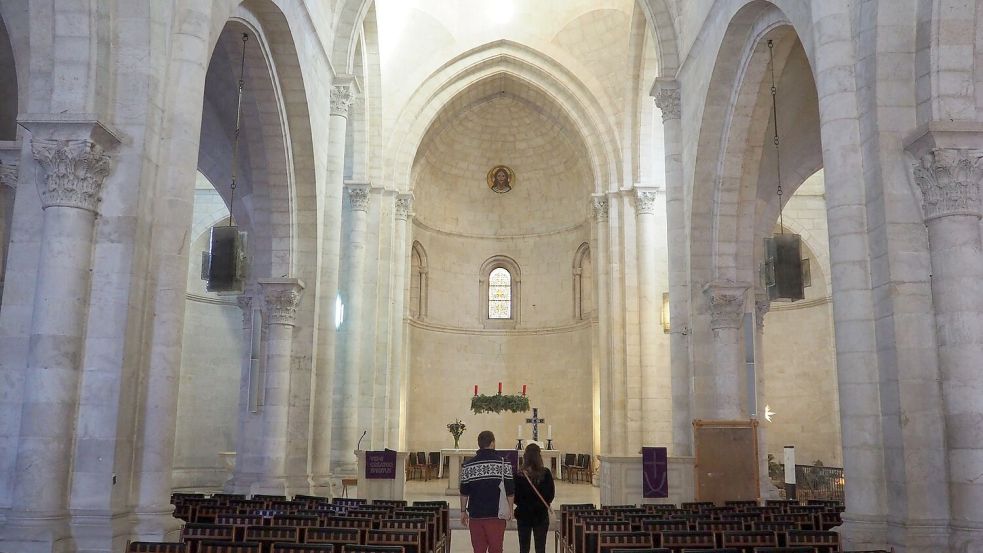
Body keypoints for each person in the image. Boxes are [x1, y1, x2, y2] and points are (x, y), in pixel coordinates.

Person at [460, 430, 514, 553]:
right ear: (493, 443)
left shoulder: (468, 465)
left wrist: (463, 511)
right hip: (496, 515)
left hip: (476, 514)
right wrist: (510, 509)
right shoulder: (504, 463)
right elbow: (510, 490)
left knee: (478, 549)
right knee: (496, 549)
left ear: (479, 444)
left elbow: (464, 492)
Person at [513, 443, 555, 553]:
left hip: (523, 514)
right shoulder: (545, 473)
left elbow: (515, 496)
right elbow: (551, 494)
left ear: (525, 456)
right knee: (540, 548)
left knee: (524, 548)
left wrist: (523, 504)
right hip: (540, 515)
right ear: (539, 456)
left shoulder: (518, 475)